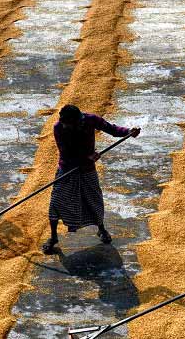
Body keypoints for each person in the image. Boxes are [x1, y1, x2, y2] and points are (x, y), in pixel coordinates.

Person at [42, 104, 140, 254]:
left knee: (94, 200)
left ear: (77, 121)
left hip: (88, 170)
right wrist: (86, 158)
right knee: (56, 202)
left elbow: (112, 129)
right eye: (64, 122)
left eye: (68, 123)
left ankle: (101, 229)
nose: (65, 125)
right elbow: (66, 153)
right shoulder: (59, 128)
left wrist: (128, 131)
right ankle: (53, 237)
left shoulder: (91, 120)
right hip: (68, 169)